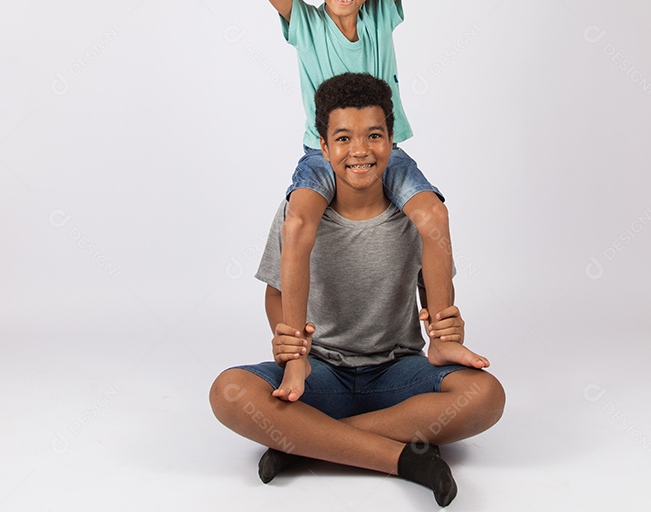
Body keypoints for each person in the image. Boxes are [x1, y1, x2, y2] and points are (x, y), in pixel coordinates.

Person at [251, 0, 474, 406]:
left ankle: (442, 335)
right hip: (320, 153)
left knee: (432, 214)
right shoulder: (303, 23)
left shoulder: (381, 13)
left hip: (387, 150)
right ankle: (296, 359)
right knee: (298, 225)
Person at [210, 73, 504, 508]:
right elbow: (276, 292)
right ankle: (403, 458)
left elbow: (434, 289)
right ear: (324, 148)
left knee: (486, 396)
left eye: (374, 136)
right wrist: (290, 345)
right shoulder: (299, 210)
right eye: (343, 138)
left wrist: (446, 328)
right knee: (228, 391)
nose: (360, 151)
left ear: (392, 142)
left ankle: (307, 441)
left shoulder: (413, 213)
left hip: (396, 373)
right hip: (320, 373)